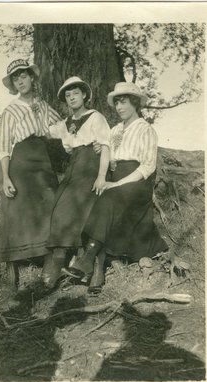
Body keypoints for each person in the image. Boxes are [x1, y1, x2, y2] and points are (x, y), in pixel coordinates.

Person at [65, 82, 168, 293]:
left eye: (124, 102)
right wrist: (101, 150)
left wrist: (118, 183)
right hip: (116, 176)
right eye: (117, 103)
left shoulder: (146, 129)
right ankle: (97, 267)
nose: (119, 107)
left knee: (110, 197)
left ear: (135, 103)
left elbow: (148, 166)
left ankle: (89, 258)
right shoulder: (114, 130)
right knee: (92, 196)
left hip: (137, 183)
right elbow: (109, 158)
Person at [0, 59, 61, 287]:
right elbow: (3, 147)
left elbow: (60, 126)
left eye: (24, 76)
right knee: (18, 207)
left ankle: (50, 261)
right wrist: (6, 177)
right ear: (13, 84)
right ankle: (12, 264)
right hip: (21, 162)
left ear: (32, 78)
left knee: (50, 203)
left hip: (42, 159)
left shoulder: (42, 105)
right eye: (16, 78)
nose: (20, 81)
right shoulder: (10, 111)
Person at [43, 76, 111, 289]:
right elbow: (45, 130)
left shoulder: (95, 117)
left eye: (75, 93)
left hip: (91, 166)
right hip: (74, 167)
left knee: (79, 205)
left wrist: (101, 176)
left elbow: (106, 146)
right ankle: (58, 259)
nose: (72, 98)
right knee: (58, 206)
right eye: (68, 95)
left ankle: (87, 263)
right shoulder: (65, 124)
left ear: (84, 95)